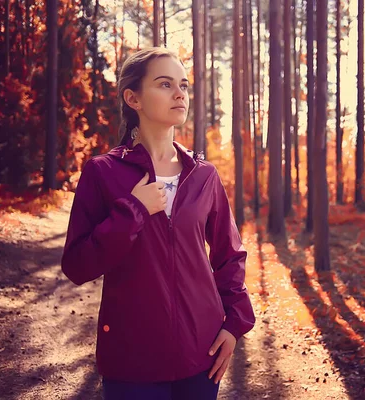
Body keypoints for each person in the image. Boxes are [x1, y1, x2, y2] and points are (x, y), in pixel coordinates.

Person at [61, 47, 255, 399]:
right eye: (165, 84)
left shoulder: (204, 175)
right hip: (132, 360)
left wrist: (233, 324)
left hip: (202, 354)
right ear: (132, 97)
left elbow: (230, 255)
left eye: (183, 84)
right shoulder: (102, 172)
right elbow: (77, 264)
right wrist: (133, 210)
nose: (180, 93)